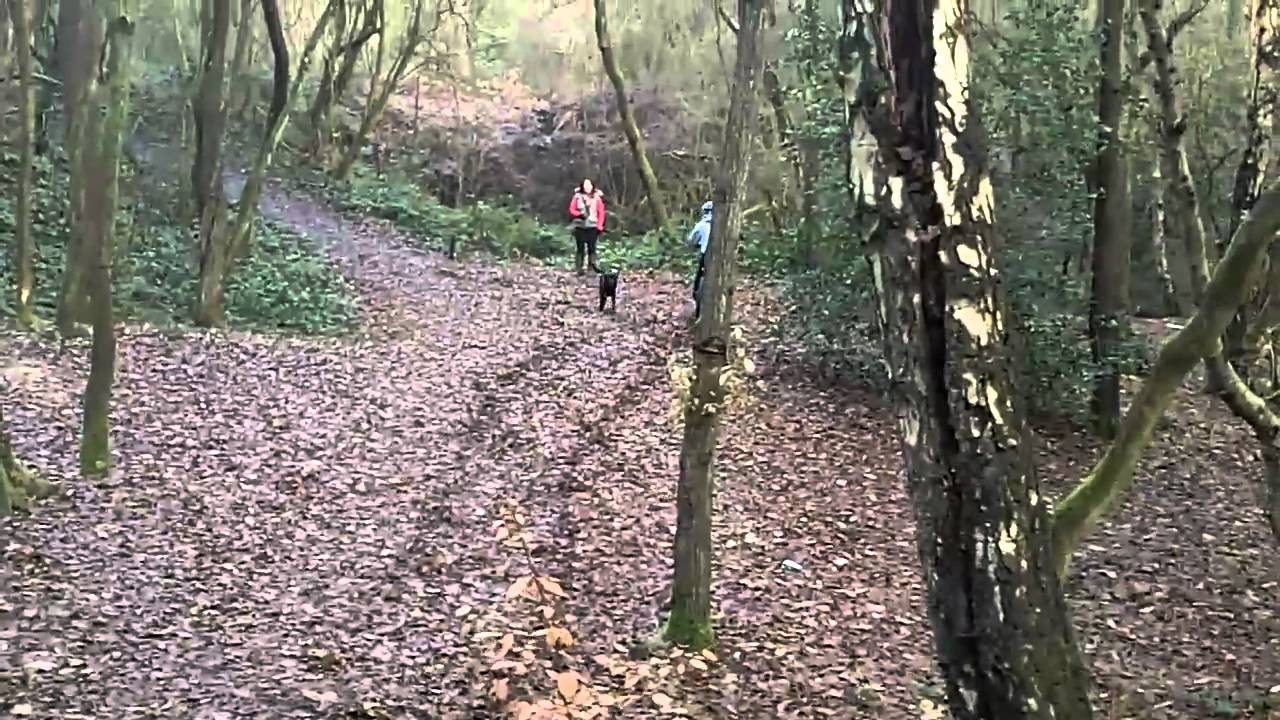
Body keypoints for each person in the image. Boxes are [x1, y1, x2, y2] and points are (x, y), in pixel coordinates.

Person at [568, 179, 606, 275]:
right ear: (582, 186)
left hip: (593, 226)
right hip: (580, 226)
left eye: (589, 185)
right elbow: (571, 209)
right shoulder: (577, 197)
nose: (587, 187)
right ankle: (579, 268)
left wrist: (600, 225)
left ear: (592, 186)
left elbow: (601, 212)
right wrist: (579, 214)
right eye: (585, 185)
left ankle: (591, 268)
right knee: (580, 248)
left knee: (592, 248)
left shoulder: (597, 198)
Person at [687, 200, 713, 320]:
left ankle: (698, 307)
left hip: (706, 255)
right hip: (720, 258)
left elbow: (692, 240)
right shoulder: (723, 225)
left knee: (698, 282)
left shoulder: (701, 224)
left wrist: (694, 245)